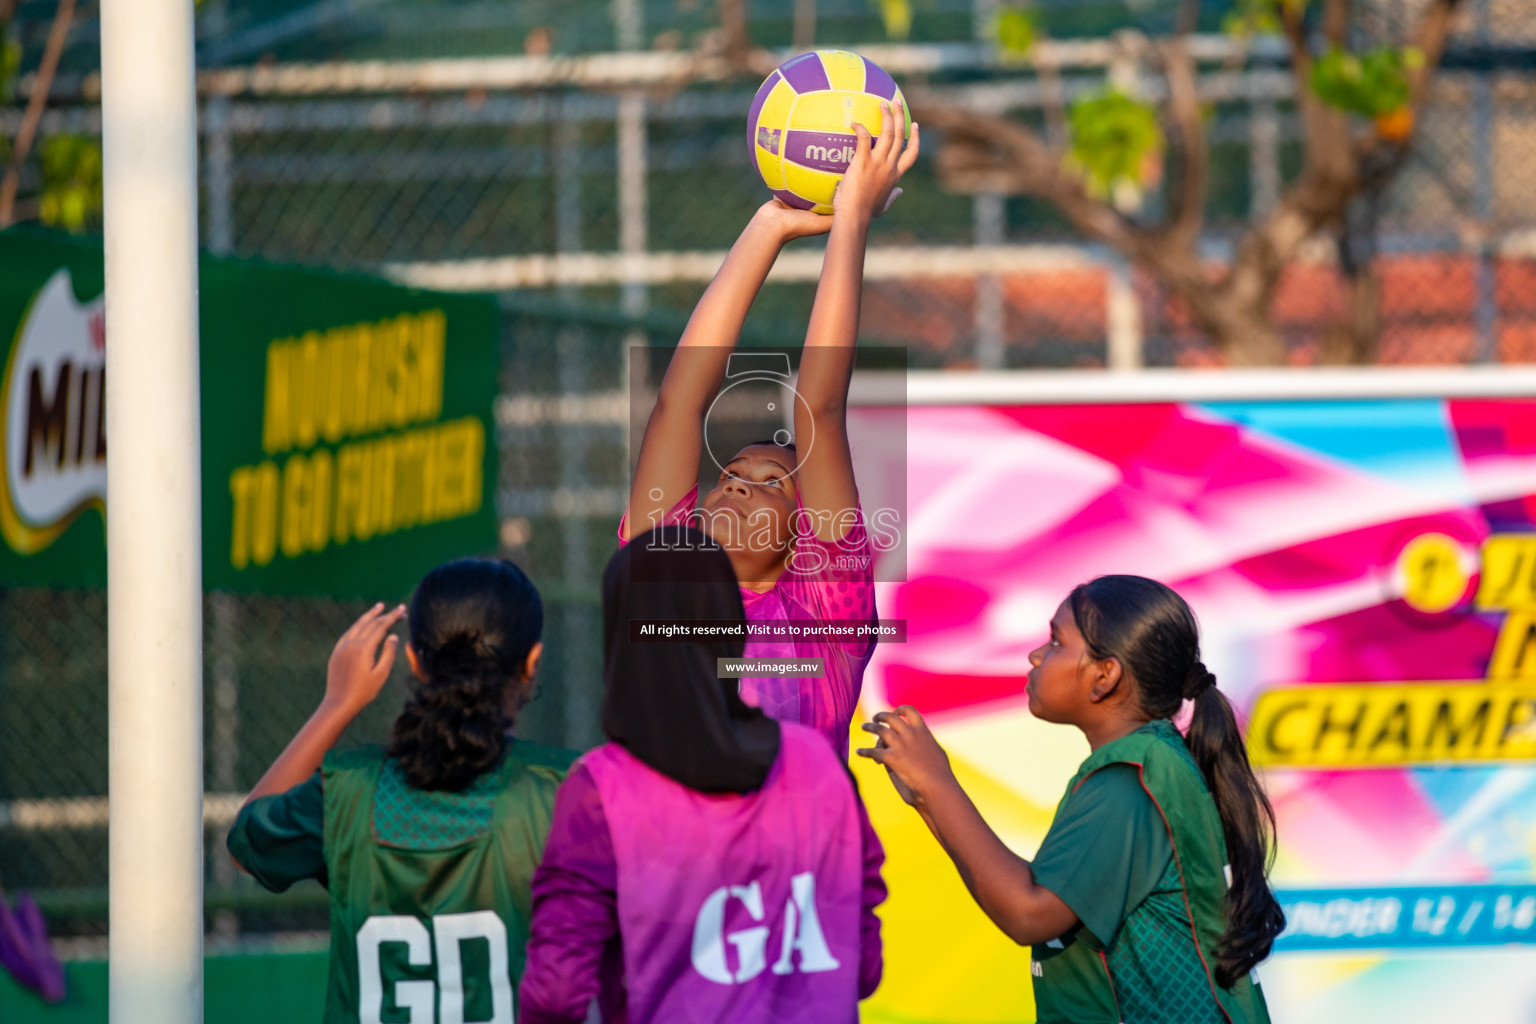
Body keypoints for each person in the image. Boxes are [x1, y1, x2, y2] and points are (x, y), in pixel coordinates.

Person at [619, 101, 919, 760]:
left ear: (805, 540)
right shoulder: (664, 584)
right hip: (683, 863)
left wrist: (851, 224)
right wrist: (767, 228)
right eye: (729, 478)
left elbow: (819, 408)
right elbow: (676, 406)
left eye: (772, 485)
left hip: (799, 866)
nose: (740, 489)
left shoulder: (824, 614)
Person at [858, 575, 1283, 1024]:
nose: (1035, 655)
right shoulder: (1147, 763)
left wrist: (937, 785)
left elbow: (1030, 913)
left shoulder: (1130, 782)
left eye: (1056, 642)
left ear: (1105, 675)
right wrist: (929, 798)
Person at [519, 527, 886, 1024]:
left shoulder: (602, 791)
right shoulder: (820, 766)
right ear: (730, 623)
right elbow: (862, 968)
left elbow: (557, 994)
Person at [227, 558, 576, 1024]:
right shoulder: (567, 792)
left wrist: (337, 703)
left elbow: (246, 845)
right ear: (531, 662)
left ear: (413, 660)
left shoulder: (346, 793)